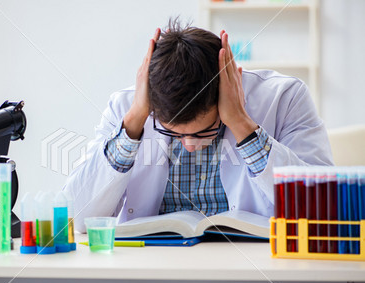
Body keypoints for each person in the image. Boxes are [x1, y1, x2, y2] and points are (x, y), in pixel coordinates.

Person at [64, 21, 333, 233]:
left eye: (204, 130)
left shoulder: (285, 97)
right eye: (172, 132)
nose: (189, 145)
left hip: (251, 275)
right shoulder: (128, 108)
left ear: (229, 89)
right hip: (150, 274)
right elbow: (76, 217)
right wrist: (134, 122)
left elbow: (324, 211)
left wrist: (241, 123)